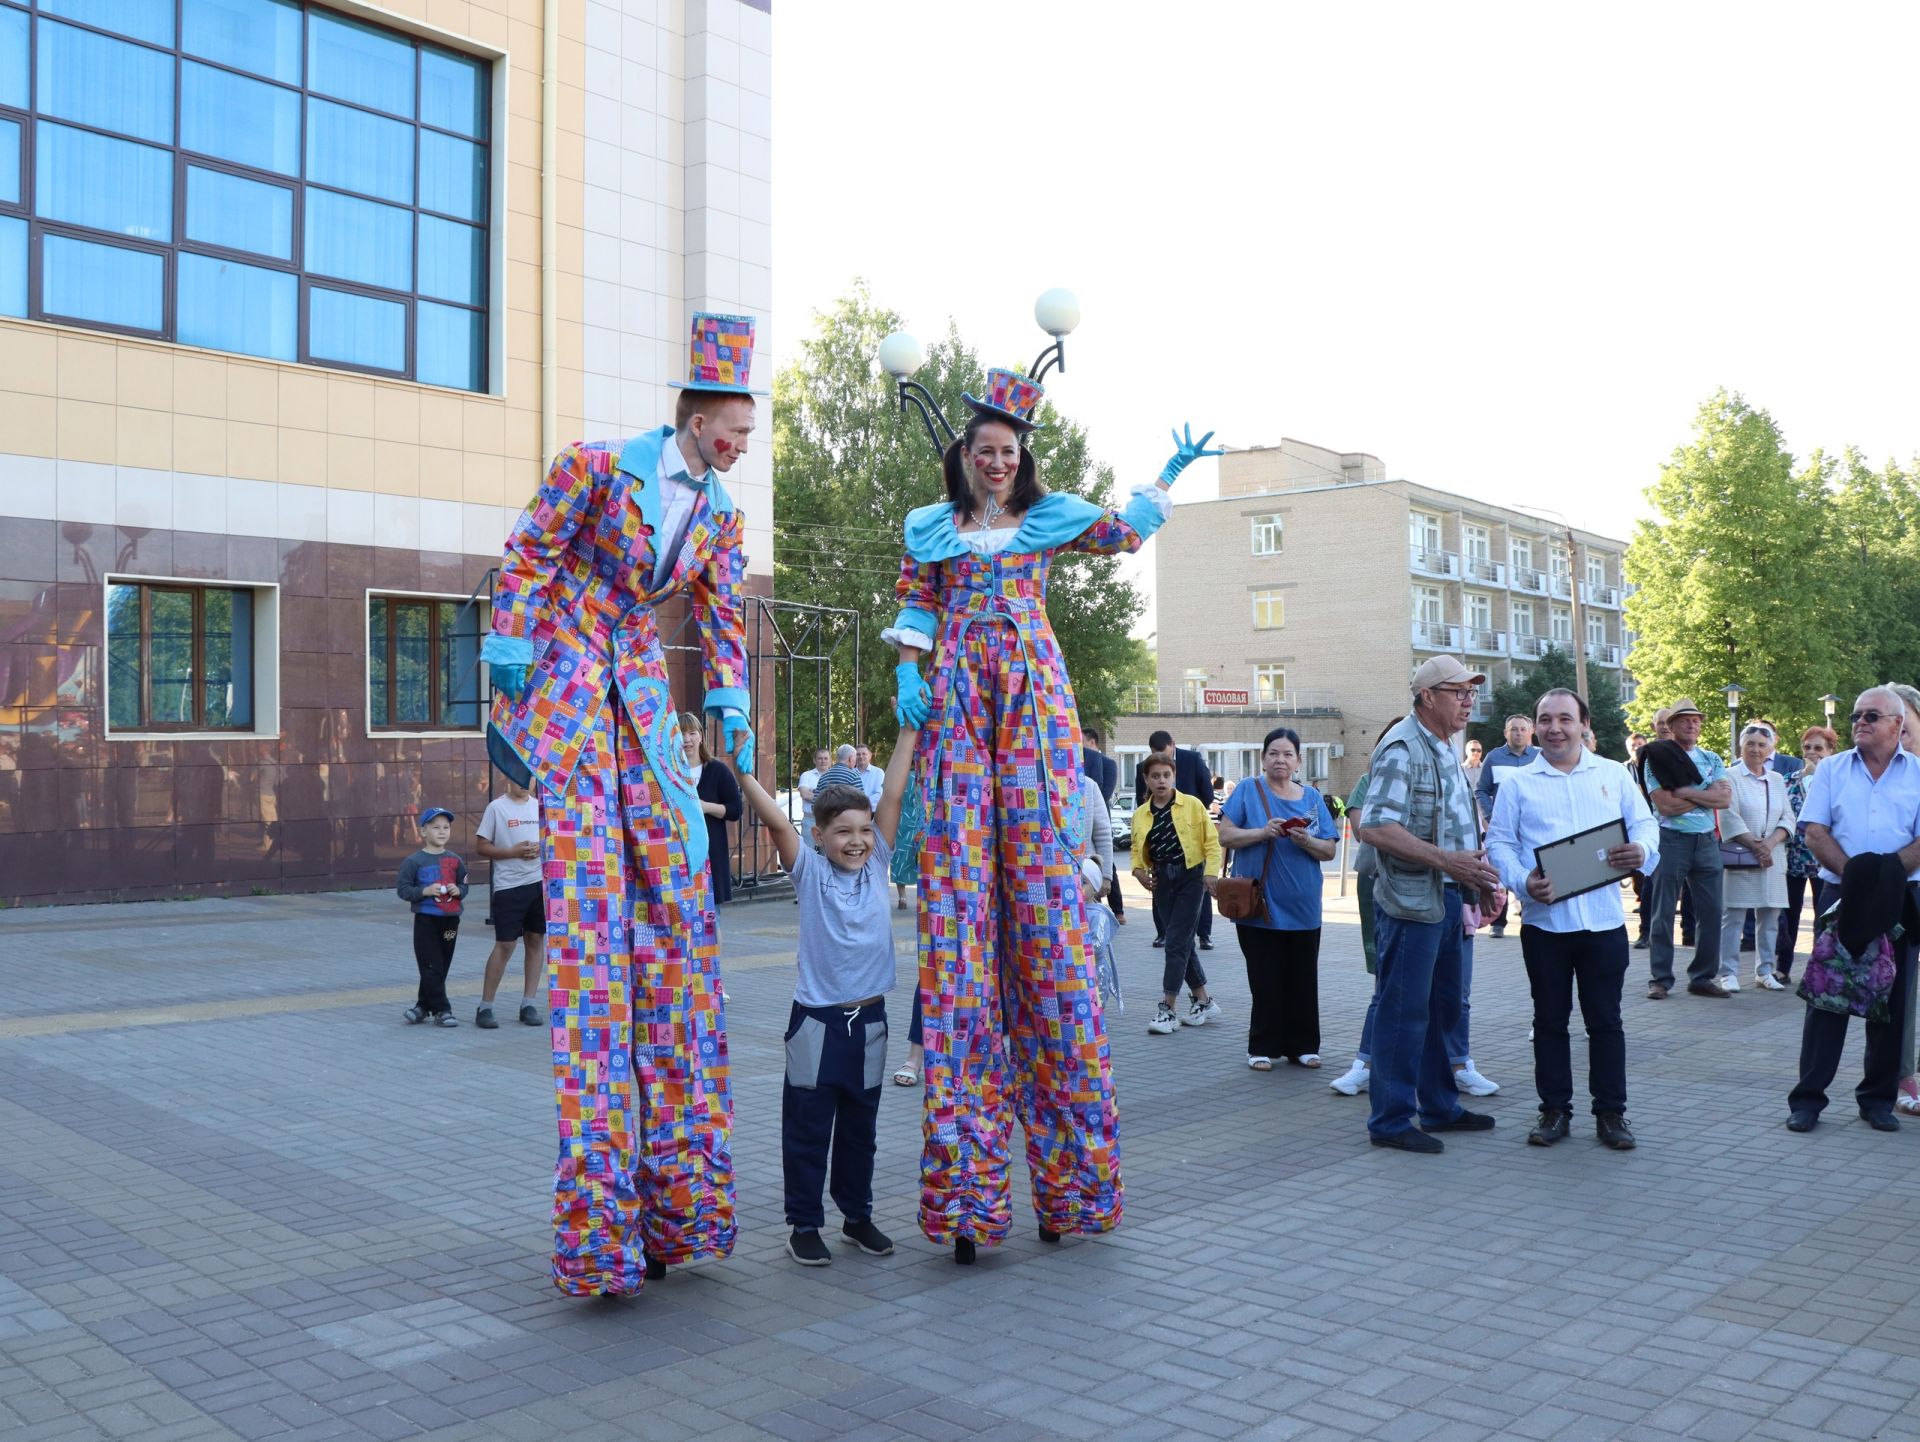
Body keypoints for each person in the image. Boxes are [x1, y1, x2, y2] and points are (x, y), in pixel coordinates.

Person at [887, 367, 1216, 1261]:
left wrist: (1167, 477)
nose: (996, 464)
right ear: (964, 456)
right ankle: (968, 1198)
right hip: (957, 693)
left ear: (1022, 458)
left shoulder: (1045, 519)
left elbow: (1124, 531)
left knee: (1041, 922)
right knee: (961, 927)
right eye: (984, 452)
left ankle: (1071, 1189)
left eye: (1009, 453)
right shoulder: (935, 527)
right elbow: (919, 597)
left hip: (1029, 696)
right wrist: (909, 669)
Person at [480, 311, 759, 1295]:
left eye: (751, 432)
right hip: (566, 675)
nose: (740, 443)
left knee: (675, 891)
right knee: (593, 930)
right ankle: (599, 1227)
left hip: (638, 689)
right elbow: (527, 554)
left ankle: (677, 1205)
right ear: (694, 410)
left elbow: (722, 614)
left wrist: (730, 697)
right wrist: (509, 649)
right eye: (733, 423)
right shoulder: (596, 466)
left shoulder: (721, 514)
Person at [729, 723, 917, 1265]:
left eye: (863, 829)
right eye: (842, 831)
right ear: (818, 836)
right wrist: (744, 770)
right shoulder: (809, 872)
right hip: (817, 1023)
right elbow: (772, 819)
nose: (856, 839)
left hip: (872, 1021)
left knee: (861, 1128)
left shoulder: (878, 862)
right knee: (808, 1129)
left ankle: (857, 1217)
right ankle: (804, 1224)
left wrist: (905, 729)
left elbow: (895, 792)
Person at [1488, 689, 1659, 1149]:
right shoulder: (1518, 784)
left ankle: (1611, 1114)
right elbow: (1499, 844)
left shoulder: (1612, 775)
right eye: (1545, 720)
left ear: (1584, 723)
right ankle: (1554, 1111)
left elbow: (1645, 825)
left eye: (1565, 719)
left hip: (1603, 922)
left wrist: (1640, 851)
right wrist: (1523, 881)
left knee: (1606, 1022)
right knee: (1549, 1022)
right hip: (1546, 925)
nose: (1554, 728)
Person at [1353, 656, 1501, 1153]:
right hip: (1412, 904)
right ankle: (1391, 1121)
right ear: (1427, 696)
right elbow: (1373, 827)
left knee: (1441, 1010)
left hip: (1446, 898)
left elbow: (1457, 829)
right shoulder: (1402, 747)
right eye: (1458, 691)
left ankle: (1438, 1107)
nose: (1468, 700)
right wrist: (1449, 864)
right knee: (1404, 1011)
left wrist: (1477, 882)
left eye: (1470, 692)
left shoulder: (1443, 747)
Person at [1785, 687, 1920, 1133]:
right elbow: (1815, 832)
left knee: (1892, 1001)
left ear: (1898, 725)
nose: (1860, 722)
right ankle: (1807, 1100)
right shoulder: (1833, 770)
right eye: (1856, 715)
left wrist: (1885, 877)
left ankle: (1876, 1100)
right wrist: (1860, 879)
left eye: (1872, 716)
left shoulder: (1919, 772)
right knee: (1827, 995)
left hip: (1900, 898)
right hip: (1839, 893)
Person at [1216, 727, 1337, 1069]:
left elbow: (1328, 849)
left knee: (1302, 976)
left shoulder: (1313, 798)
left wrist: (1306, 842)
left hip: (1303, 904)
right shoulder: (1247, 790)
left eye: (1287, 754)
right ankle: (1261, 1046)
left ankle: (1303, 1045)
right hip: (1259, 905)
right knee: (1265, 977)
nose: (1280, 760)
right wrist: (1262, 832)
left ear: (1298, 760)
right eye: (1273, 753)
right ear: (1262, 758)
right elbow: (1224, 834)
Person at [1642, 698, 1733, 1001]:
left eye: (1696, 720)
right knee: (1662, 912)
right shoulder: (1656, 758)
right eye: (1684, 720)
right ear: (1670, 725)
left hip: (1707, 841)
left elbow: (1724, 800)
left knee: (1711, 911)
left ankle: (1703, 977)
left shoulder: (1712, 757)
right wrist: (1704, 794)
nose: (1692, 724)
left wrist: (1689, 794)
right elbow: (1665, 806)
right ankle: (1660, 979)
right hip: (1671, 840)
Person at [1328, 717, 1400, 1097]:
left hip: (1430, 888)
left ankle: (1455, 1063)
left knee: (1445, 989)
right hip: (1378, 883)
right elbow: (1363, 830)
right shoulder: (1369, 781)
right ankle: (1366, 1063)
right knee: (1385, 979)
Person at [1131, 752, 1224, 1035]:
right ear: (1146, 780)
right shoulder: (1141, 813)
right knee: (1182, 943)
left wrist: (1211, 873)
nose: (1161, 781)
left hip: (1191, 877)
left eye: (1166, 775)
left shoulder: (1193, 805)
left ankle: (1167, 1007)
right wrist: (1138, 872)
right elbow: (1136, 850)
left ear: (1174, 777)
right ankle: (1204, 1000)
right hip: (1161, 880)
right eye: (1155, 776)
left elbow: (1211, 842)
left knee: (1174, 942)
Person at [1717, 722, 1794, 992]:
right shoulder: (1728, 776)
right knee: (1734, 916)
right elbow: (1728, 815)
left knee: (1770, 918)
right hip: (1742, 857)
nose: (1756, 749)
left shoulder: (1776, 779)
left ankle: (1765, 971)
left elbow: (1788, 816)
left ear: (1771, 748)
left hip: (1772, 858)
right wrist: (1755, 844)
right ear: (1741, 746)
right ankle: (1728, 972)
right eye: (1750, 743)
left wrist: (1770, 843)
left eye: (1762, 745)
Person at [1135, 729, 1217, 949]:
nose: (1161, 779)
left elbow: (1207, 792)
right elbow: (1140, 803)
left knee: (1200, 892)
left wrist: (1189, 810)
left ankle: (1204, 934)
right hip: (1161, 855)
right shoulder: (1143, 768)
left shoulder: (1191, 759)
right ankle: (1163, 933)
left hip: (1190, 840)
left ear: (1173, 745)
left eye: (1165, 752)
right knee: (1176, 936)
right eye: (1155, 752)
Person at [474, 775, 545, 1029]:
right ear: (507, 779)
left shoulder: (540, 806)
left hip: (538, 884)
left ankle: (529, 1003)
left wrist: (542, 849)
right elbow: (481, 846)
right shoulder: (497, 807)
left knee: (535, 940)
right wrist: (512, 852)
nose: (523, 783)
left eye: (529, 778)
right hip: (508, 887)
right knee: (505, 945)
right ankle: (486, 1006)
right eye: (517, 778)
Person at [1775, 725, 1837, 985]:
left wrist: (1817, 778)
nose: (1812, 753)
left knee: (1823, 916)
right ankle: (1782, 966)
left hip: (1825, 858)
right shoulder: (1789, 781)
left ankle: (1817, 970)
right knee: (1789, 915)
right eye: (1808, 747)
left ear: (1831, 751)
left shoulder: (1836, 781)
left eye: (1818, 748)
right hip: (1794, 857)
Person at [397, 806, 468, 1028]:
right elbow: (403, 889)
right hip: (426, 919)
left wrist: (459, 891)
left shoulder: (455, 860)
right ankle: (442, 1010)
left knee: (441, 964)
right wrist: (424, 892)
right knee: (430, 964)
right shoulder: (414, 861)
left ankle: (421, 1007)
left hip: (450, 920)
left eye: (446, 827)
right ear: (423, 831)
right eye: (435, 827)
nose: (441, 831)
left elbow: (464, 885)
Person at [1474, 715, 1540, 937]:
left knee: (1532, 867)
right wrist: (1492, 816)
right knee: (1501, 871)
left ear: (1531, 732)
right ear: (1506, 733)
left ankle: (1531, 917)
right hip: (1503, 827)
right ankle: (1498, 921)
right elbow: (1481, 790)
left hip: (1533, 825)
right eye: (1514, 729)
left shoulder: (1541, 757)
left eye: (1523, 729)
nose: (1518, 733)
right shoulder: (1494, 757)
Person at [679, 712, 744, 906]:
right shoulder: (669, 772)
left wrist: (706, 807)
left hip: (711, 855)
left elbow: (735, 810)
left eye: (692, 733)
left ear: (701, 736)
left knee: (712, 920)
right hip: (678, 856)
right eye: (681, 734)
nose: (687, 739)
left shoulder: (717, 770)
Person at [1083, 725, 1126, 925]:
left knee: (1090, 932)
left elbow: (1102, 833)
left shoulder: (1088, 786)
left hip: (1085, 876)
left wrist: (1106, 875)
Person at [798, 747, 831, 832]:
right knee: (808, 846)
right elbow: (805, 795)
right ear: (814, 760)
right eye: (820, 758)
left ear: (830, 760)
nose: (823, 761)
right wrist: (828, 797)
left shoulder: (835, 776)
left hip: (830, 821)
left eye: (825, 758)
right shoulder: (806, 775)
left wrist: (814, 793)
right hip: (810, 820)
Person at [855, 744, 886, 809]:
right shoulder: (850, 772)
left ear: (870, 756)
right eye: (858, 754)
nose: (861, 756)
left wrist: (861, 805)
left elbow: (879, 794)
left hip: (873, 814)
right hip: (854, 814)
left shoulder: (878, 772)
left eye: (864, 754)